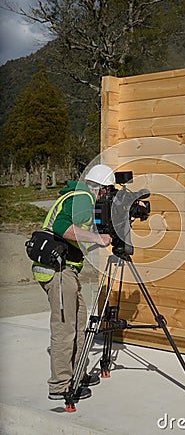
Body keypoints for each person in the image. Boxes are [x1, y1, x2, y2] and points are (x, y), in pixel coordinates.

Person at [32, 165, 114, 401]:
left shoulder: (78, 196)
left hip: (66, 271)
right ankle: (60, 385)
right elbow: (61, 227)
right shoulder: (83, 197)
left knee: (78, 323)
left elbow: (75, 235)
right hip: (57, 271)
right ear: (101, 189)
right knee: (65, 328)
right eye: (107, 192)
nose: (106, 197)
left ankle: (77, 373)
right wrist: (97, 237)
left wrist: (94, 240)